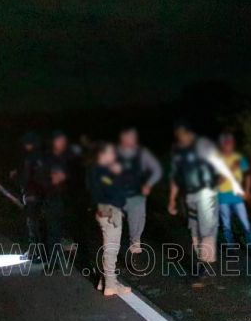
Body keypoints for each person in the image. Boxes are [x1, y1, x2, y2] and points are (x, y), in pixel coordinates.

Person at [168, 121, 244, 272]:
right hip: (190, 195)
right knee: (194, 229)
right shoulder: (178, 151)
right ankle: (202, 261)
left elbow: (219, 164)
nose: (180, 138)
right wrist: (172, 199)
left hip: (206, 192)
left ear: (189, 133)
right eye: (178, 136)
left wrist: (228, 182)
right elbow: (175, 177)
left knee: (207, 228)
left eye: (182, 135)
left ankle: (205, 266)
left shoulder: (203, 145)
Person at [87, 141, 130, 296]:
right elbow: (111, 190)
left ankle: (104, 280)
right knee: (111, 249)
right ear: (103, 155)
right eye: (111, 153)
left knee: (107, 247)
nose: (114, 156)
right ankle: (111, 285)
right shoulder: (102, 171)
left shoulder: (97, 170)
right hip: (109, 213)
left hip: (105, 212)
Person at [117, 126, 163, 254]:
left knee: (136, 224)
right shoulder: (114, 153)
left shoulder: (142, 153)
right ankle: (113, 251)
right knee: (113, 228)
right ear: (122, 138)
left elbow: (157, 170)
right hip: (117, 195)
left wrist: (148, 184)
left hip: (136, 195)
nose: (130, 141)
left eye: (133, 138)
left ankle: (134, 243)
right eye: (127, 138)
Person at [13, 131, 48, 262]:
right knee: (35, 226)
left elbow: (31, 178)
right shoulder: (38, 158)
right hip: (34, 195)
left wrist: (19, 178)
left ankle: (38, 254)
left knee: (34, 226)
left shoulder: (33, 159)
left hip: (33, 196)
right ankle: (36, 252)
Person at [41, 130, 77, 255]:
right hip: (52, 197)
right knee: (52, 229)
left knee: (64, 225)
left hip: (66, 197)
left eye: (63, 141)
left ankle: (63, 250)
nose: (62, 143)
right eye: (59, 140)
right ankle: (52, 259)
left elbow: (71, 175)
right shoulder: (48, 158)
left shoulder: (67, 157)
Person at [217, 132, 251, 246]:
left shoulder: (239, 158)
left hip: (238, 196)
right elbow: (218, 181)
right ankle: (230, 246)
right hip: (223, 197)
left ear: (233, 144)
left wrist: (247, 190)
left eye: (230, 144)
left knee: (245, 223)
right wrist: (232, 169)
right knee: (226, 225)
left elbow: (248, 175)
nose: (228, 146)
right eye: (226, 144)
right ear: (222, 145)